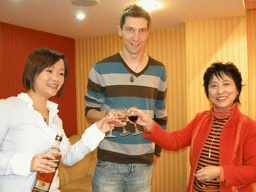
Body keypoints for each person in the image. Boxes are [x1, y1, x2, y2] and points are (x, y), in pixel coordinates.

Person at [132, 62, 256, 192]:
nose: (220, 91)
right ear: (208, 92)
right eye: (214, 85)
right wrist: (150, 125)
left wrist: (221, 172)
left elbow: (254, 170)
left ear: (237, 90)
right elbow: (174, 142)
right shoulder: (200, 119)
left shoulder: (248, 126)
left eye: (226, 84)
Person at [0, 48, 112, 192]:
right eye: (50, 71)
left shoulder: (55, 118)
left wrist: (98, 129)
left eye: (61, 73)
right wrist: (28, 163)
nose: (56, 78)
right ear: (33, 71)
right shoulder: (8, 107)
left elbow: (68, 157)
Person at [85, 4, 167, 192]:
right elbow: (89, 113)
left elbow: (160, 115)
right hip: (109, 162)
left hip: (143, 164)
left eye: (142, 31)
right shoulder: (100, 68)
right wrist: (106, 113)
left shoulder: (159, 71)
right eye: (130, 30)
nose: (136, 38)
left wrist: (156, 152)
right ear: (120, 31)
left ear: (148, 33)